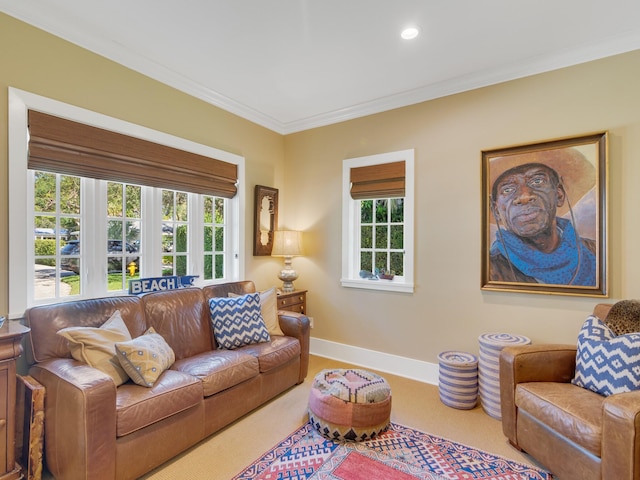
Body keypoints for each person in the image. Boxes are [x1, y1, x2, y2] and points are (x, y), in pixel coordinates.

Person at [489, 148, 597, 285]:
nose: (524, 196)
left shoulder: (594, 251)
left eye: (537, 181)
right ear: (496, 211)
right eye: (508, 189)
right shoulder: (491, 267)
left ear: (559, 195)